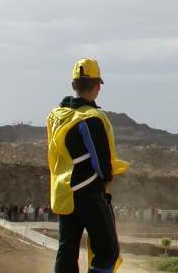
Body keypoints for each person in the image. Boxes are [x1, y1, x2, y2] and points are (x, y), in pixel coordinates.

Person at [47, 58, 129, 273]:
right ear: (97, 87)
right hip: (87, 192)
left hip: (63, 191)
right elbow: (102, 165)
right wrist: (108, 177)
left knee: (67, 249)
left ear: (74, 86)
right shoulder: (91, 119)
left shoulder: (58, 116)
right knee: (108, 251)